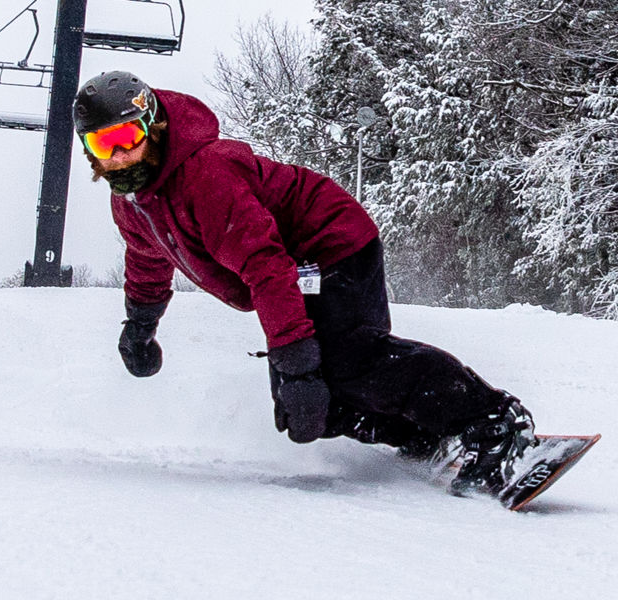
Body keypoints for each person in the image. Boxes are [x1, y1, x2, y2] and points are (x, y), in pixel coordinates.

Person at [77, 71, 541, 495]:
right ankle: (423, 435)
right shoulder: (133, 204)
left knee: (344, 358)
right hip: (290, 268)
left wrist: (297, 364)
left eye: (125, 137)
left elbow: (265, 266)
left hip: (330, 241)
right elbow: (146, 257)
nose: (117, 155)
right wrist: (140, 324)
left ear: (153, 127)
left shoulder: (205, 176)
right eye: (102, 145)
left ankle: (494, 422)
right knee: (309, 408)